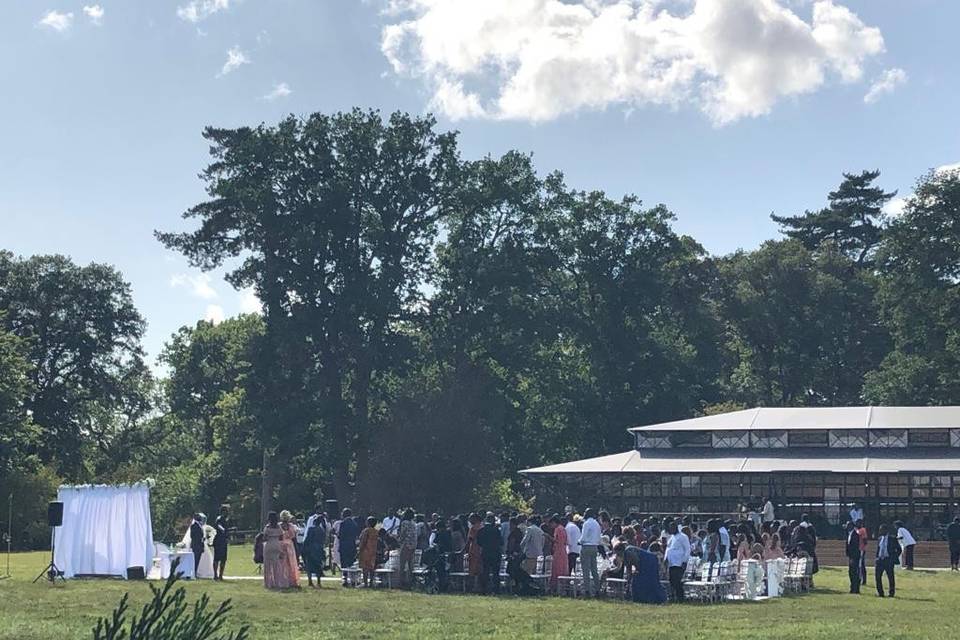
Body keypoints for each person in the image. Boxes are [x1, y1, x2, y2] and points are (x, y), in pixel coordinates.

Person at [263, 511, 298, 589]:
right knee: (277, 566)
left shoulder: (267, 527)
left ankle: (268, 583)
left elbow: (264, 538)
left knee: (268, 565)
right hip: (277, 545)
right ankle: (277, 582)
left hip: (269, 545)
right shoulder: (278, 527)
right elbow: (281, 537)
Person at [664, 521, 691, 602]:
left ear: (676, 527)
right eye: (670, 527)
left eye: (673, 527)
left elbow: (687, 549)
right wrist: (665, 559)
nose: (671, 529)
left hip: (679, 563)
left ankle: (680, 598)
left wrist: (684, 561)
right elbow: (668, 549)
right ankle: (673, 597)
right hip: (671, 563)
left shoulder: (683, 536)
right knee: (671, 581)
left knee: (677, 581)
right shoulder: (671, 538)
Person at [476, 513, 503, 595]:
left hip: (486, 552)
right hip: (496, 553)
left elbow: (479, 542)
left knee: (485, 571)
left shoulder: (481, 530)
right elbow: (501, 542)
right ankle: (496, 589)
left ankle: (484, 589)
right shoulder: (496, 530)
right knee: (496, 572)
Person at [579, 509, 602, 597]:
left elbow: (583, 537)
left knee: (586, 570)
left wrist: (579, 541)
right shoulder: (597, 524)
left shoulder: (586, 523)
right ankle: (597, 590)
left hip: (586, 546)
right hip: (594, 546)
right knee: (594, 570)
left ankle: (587, 590)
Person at [875, 523, 901, 598]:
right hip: (880, 560)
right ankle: (880, 593)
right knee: (878, 577)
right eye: (880, 530)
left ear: (886, 530)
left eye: (882, 530)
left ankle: (891, 593)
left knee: (890, 577)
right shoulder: (879, 538)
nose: (880, 531)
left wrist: (893, 558)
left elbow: (899, 549)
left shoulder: (892, 538)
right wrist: (877, 558)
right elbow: (879, 549)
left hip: (888, 560)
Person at [303, 513, 327, 588]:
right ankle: (318, 582)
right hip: (319, 549)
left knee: (309, 565)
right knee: (318, 566)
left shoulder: (311, 529)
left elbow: (307, 539)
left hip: (311, 549)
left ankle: (310, 581)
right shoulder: (322, 530)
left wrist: (304, 548)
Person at [357, 517, 379, 588]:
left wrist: (359, 550)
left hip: (365, 551)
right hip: (373, 551)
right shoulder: (376, 531)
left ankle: (365, 583)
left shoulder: (366, 531)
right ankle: (371, 582)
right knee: (371, 567)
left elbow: (363, 541)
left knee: (365, 568)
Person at [398, 509, 417, 588]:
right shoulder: (413, 523)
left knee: (402, 564)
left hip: (406, 544)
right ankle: (410, 581)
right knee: (410, 564)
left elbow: (403, 533)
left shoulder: (404, 523)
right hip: (413, 545)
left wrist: (399, 541)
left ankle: (401, 582)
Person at [549, 515, 569, 591]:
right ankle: (561, 588)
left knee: (557, 569)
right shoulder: (563, 528)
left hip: (559, 551)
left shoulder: (558, 529)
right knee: (562, 569)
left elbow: (558, 541)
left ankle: (556, 588)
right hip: (563, 551)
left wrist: (548, 537)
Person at [338, 508, 360, 573]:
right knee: (351, 563)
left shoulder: (343, 523)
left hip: (344, 545)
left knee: (344, 563)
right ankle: (352, 578)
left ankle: (345, 578)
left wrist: (336, 534)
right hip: (352, 545)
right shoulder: (354, 523)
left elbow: (341, 535)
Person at [213, 507, 231, 580]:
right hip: (218, 541)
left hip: (223, 541)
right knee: (216, 559)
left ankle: (220, 575)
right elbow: (218, 525)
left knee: (223, 559)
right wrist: (222, 529)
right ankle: (215, 575)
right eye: (226, 511)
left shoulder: (225, 520)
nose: (227, 513)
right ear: (223, 512)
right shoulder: (219, 518)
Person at [466, 513, 483, 591]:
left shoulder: (473, 528)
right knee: (480, 571)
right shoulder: (482, 527)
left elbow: (470, 540)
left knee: (472, 571)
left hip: (473, 550)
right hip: (481, 551)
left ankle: (470, 587)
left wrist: (463, 550)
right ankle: (479, 587)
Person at [844, 521, 861, 594]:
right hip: (851, 556)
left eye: (848, 525)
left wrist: (853, 558)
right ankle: (852, 588)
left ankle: (856, 589)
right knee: (851, 572)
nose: (847, 527)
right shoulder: (849, 534)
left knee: (854, 573)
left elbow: (855, 548)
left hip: (854, 557)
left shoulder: (855, 535)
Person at [855, 519, 868, 585]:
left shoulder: (862, 530)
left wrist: (863, 547)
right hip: (857, 549)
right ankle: (859, 578)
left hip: (861, 549)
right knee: (859, 565)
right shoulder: (857, 530)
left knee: (861, 565)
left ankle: (863, 579)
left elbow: (865, 540)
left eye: (859, 523)